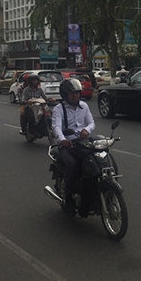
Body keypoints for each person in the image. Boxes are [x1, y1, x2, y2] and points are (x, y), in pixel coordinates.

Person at [52, 78, 95, 216]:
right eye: (71, 93)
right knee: (72, 164)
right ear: (65, 95)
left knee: (98, 157)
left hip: (82, 142)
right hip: (67, 145)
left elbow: (91, 122)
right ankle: (69, 198)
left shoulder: (84, 106)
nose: (75, 95)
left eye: (76, 92)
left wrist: (86, 130)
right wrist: (63, 139)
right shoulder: (59, 109)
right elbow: (56, 127)